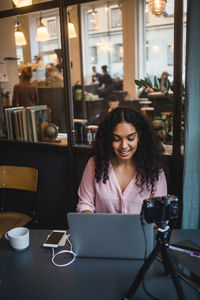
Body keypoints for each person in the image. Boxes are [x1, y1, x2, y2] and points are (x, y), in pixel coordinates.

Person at [77, 107, 167, 214]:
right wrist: (88, 218)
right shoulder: (95, 164)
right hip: (102, 230)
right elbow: (85, 203)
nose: (124, 146)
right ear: (108, 138)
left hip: (140, 231)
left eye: (130, 138)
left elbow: (160, 212)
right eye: (116, 139)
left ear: (140, 137)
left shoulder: (154, 168)